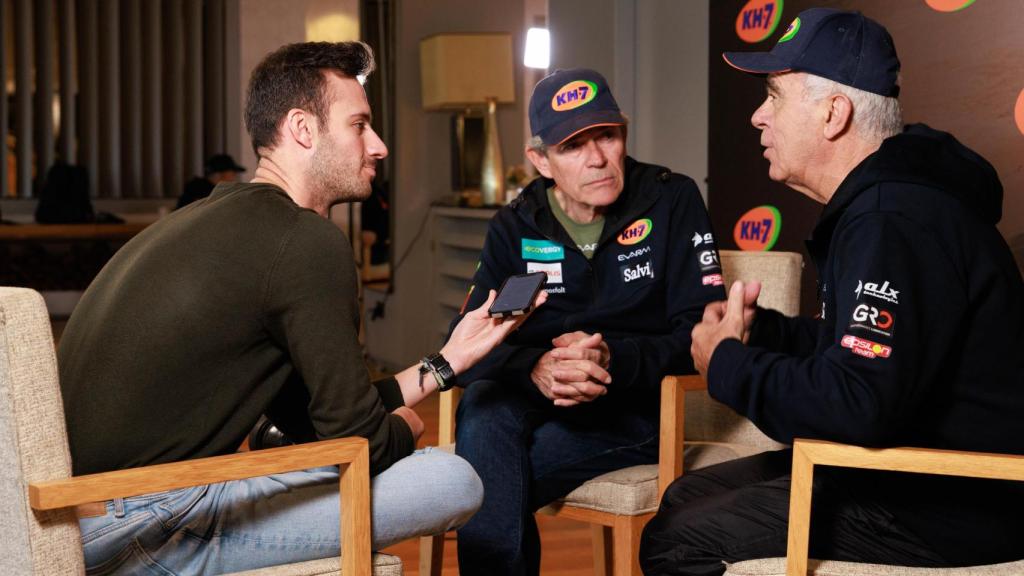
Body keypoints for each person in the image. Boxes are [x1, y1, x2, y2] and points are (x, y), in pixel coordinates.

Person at [58, 41, 544, 575]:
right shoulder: (305, 242)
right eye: (359, 125)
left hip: (76, 517)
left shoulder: (213, 223)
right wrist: (407, 429)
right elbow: (361, 443)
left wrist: (447, 362)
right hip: (145, 527)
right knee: (453, 478)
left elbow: (321, 416)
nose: (379, 146)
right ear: (302, 129)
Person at [640, 9, 1024, 575]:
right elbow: (871, 354)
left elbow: (859, 403)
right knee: (682, 496)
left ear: (833, 113)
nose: (757, 116)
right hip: (909, 468)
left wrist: (727, 365)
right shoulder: (887, 203)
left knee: (675, 540)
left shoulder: (892, 218)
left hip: (952, 500)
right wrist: (764, 333)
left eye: (774, 97)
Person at [453, 67, 727, 575]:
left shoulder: (672, 198)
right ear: (541, 160)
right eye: (573, 146)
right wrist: (536, 367)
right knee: (484, 409)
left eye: (607, 136)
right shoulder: (514, 224)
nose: (597, 158)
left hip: (634, 407)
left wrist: (611, 358)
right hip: (533, 397)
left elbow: (703, 334)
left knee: (483, 480)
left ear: (624, 135)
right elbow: (464, 348)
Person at [176, 153, 247, 209]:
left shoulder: (200, 189)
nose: (234, 177)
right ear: (219, 174)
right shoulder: (204, 193)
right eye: (232, 173)